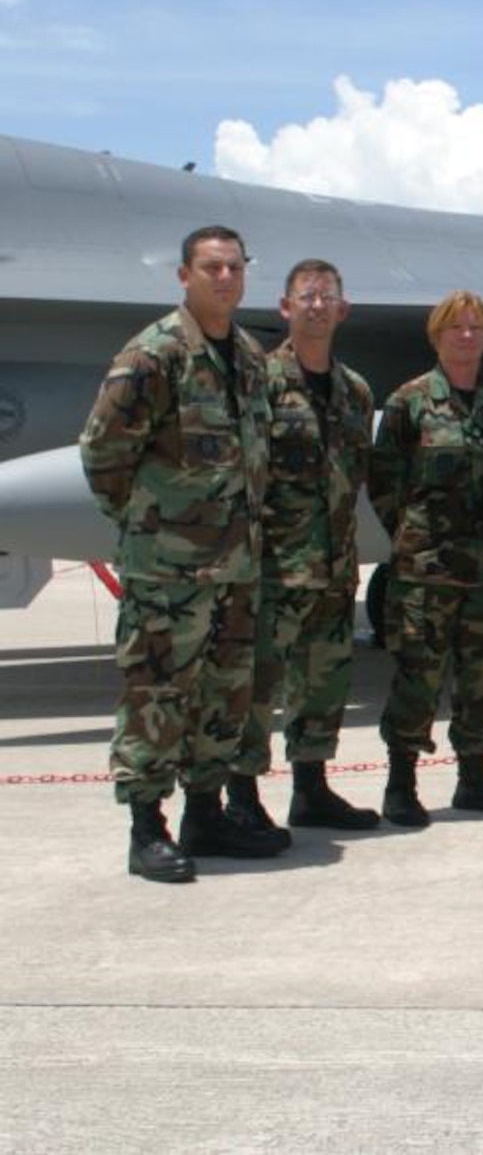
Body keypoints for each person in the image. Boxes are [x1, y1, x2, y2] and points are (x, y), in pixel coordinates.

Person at [81, 225, 281, 881]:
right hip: (167, 571)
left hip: (236, 568)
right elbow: (103, 452)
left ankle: (206, 813)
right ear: (184, 276)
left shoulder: (249, 358)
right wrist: (148, 529)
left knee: (225, 695)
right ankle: (146, 828)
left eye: (233, 267)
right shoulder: (154, 355)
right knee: (157, 695)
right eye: (211, 267)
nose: (224, 278)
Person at [370, 290, 483, 826]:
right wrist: (415, 537)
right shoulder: (408, 402)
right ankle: (401, 782)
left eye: (475, 328)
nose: (465, 336)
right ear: (436, 335)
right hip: (426, 572)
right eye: (454, 327)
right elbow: (384, 482)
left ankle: (474, 778)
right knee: (418, 677)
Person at [235, 258, 380, 834]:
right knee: (255, 689)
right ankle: (242, 798)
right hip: (271, 569)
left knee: (324, 685)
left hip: (333, 568)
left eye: (327, 297)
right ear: (285, 308)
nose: (317, 305)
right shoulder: (258, 383)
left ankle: (311, 790)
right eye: (307, 296)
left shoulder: (355, 392)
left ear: (343, 310)